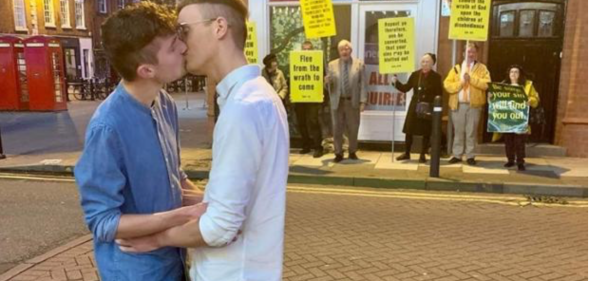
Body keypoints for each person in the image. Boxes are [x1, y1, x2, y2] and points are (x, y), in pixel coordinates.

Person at [116, 1, 290, 281]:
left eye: (184, 30)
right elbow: (242, 201)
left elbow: (221, 226)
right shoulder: (259, 96)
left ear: (219, 27)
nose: (181, 44)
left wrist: (157, 238)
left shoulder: (243, 107)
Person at [74, 3, 206, 280]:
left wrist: (211, 200)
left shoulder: (164, 103)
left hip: (173, 259)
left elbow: (174, 176)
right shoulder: (107, 128)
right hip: (134, 271)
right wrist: (182, 215)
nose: (183, 48)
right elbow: (103, 221)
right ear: (146, 70)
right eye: (172, 46)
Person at [443, 42, 491, 166]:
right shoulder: (456, 68)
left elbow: (486, 84)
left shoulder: (482, 68)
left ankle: (470, 155)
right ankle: (457, 155)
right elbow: (447, 85)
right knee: (458, 131)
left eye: (473, 52)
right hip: (458, 105)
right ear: (464, 53)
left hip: (474, 106)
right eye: (468, 51)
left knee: (471, 132)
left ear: (476, 54)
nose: (470, 54)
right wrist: (461, 82)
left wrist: (472, 79)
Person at [393, 53, 443, 163]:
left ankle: (422, 154)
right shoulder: (415, 75)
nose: (424, 64)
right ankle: (407, 153)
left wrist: (435, 108)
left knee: (426, 131)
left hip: (428, 107)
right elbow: (406, 88)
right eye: (423, 61)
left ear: (432, 64)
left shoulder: (436, 77)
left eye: (427, 62)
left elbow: (439, 94)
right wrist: (395, 83)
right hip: (415, 105)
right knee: (409, 130)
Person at [325, 40, 367, 163]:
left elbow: (363, 84)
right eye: (342, 49)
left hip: (352, 101)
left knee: (353, 128)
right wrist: (326, 83)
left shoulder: (359, 64)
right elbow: (329, 88)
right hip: (337, 102)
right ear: (339, 51)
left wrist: (363, 101)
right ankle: (338, 153)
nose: (344, 51)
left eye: (347, 49)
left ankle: (352, 151)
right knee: (337, 128)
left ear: (351, 51)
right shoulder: (331, 65)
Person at [498, 65, 539, 171]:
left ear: (520, 74)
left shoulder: (527, 85)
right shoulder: (503, 85)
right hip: (507, 117)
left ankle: (520, 161)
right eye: (511, 72)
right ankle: (510, 160)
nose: (514, 74)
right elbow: (496, 98)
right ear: (508, 74)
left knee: (519, 141)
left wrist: (530, 100)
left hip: (520, 117)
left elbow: (536, 98)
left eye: (516, 72)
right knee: (508, 140)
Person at [294, 41, 324, 158]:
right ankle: (306, 145)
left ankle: (318, 147)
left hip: (313, 97)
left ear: (312, 50)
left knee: (313, 121)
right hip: (300, 96)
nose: (306, 51)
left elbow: (322, 78)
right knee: (301, 122)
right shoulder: (297, 61)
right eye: (304, 49)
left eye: (309, 49)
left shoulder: (318, 61)